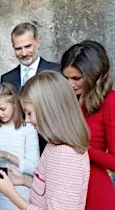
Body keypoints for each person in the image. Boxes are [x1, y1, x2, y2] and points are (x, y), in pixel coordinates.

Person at [0, 71, 90, 210]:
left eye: (30, 113)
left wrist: (11, 194)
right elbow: (51, 190)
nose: (28, 120)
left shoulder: (65, 155)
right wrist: (24, 180)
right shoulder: (55, 144)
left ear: (48, 110)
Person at [61, 40, 115, 210]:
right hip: (67, 186)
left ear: (93, 75)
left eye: (76, 78)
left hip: (94, 190)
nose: (70, 84)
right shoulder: (70, 98)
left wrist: (82, 148)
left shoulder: (110, 102)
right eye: (66, 78)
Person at [1, 23, 60, 155]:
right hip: (20, 150)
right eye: (18, 48)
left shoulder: (57, 72)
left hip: (51, 145)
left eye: (28, 46)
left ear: (38, 42)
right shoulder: (6, 79)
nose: (23, 53)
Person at [0, 82, 39, 210]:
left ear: (14, 104)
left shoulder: (28, 129)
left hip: (21, 195)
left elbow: (34, 167)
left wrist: (7, 155)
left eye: (2, 109)